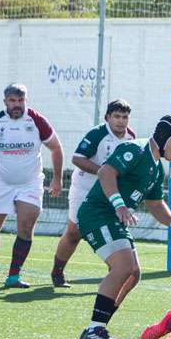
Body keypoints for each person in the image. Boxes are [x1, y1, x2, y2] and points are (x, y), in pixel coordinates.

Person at [77, 115, 171, 339]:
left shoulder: (156, 168)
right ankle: (94, 329)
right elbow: (105, 172)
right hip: (98, 213)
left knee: (133, 274)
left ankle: (98, 327)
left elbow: (156, 205)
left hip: (113, 217)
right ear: (166, 138)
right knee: (123, 267)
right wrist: (119, 205)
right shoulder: (135, 149)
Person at [0, 84, 64, 289]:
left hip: (30, 184)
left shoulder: (37, 120)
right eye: (12, 101)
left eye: (21, 101)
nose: (17, 105)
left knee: (26, 228)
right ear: (5, 102)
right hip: (0, 183)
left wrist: (57, 179)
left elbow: (56, 148)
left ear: (26, 101)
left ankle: (13, 275)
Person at [49, 100, 135, 288]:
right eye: (117, 116)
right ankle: (57, 272)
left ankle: (116, 275)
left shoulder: (131, 138)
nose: (121, 121)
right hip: (84, 189)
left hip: (110, 193)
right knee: (74, 233)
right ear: (107, 118)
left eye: (125, 117)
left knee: (115, 232)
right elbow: (77, 158)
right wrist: (104, 173)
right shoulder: (98, 134)